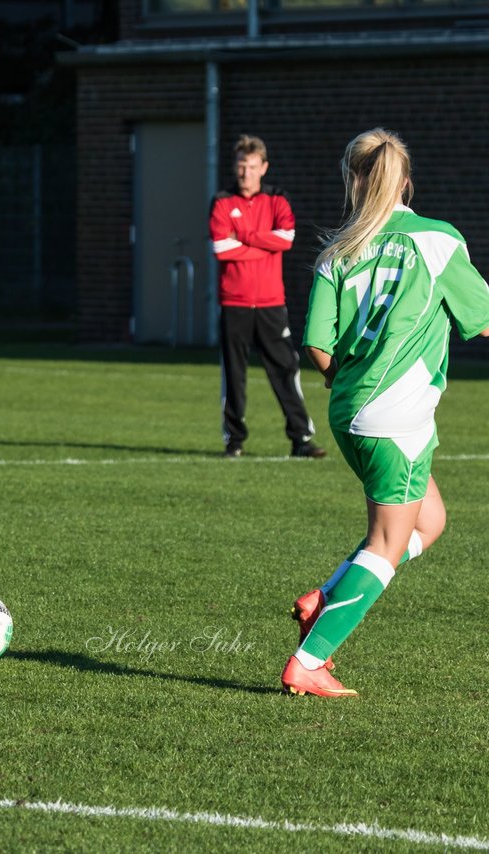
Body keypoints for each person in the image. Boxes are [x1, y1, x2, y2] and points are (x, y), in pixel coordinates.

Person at [281, 128, 489, 697]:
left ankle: (325, 594)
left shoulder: (337, 251)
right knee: (387, 545)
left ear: (354, 181)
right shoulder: (438, 241)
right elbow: (483, 318)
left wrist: (347, 382)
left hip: (350, 411)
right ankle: (310, 660)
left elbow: (318, 346)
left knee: (430, 521)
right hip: (397, 417)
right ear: (406, 180)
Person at [210, 134, 325, 459]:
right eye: (240, 166)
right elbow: (221, 248)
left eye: (252, 166)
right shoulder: (221, 202)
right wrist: (263, 244)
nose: (245, 172)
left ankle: (301, 438)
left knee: (286, 369)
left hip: (272, 303)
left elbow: (286, 239)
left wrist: (244, 237)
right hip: (234, 303)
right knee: (233, 373)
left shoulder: (277, 200)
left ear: (264, 167)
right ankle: (234, 441)